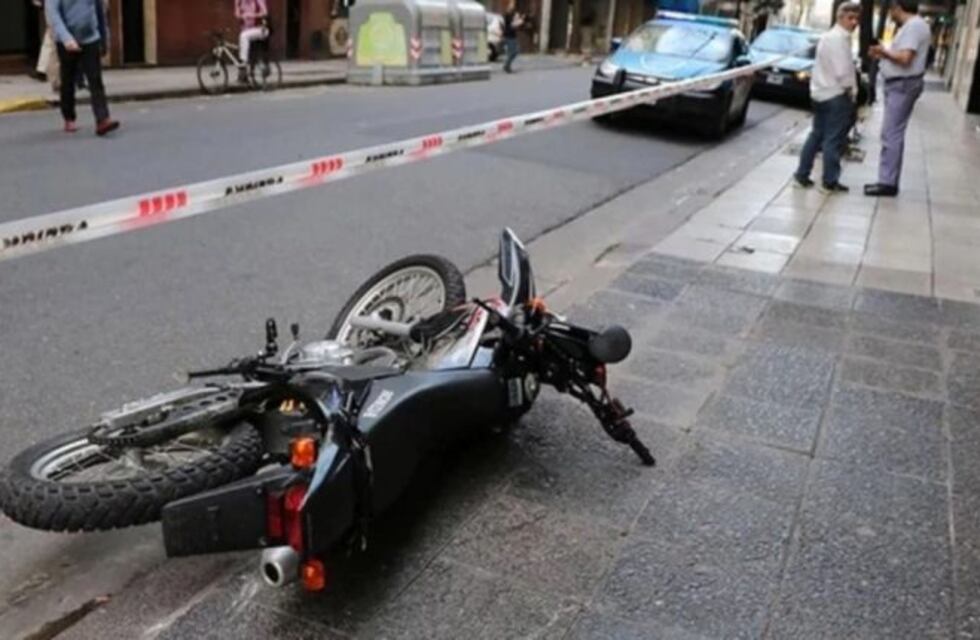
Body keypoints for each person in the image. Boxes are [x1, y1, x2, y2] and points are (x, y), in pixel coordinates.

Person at [864, 0, 931, 197]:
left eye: (892, 10)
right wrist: (884, 54)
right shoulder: (916, 26)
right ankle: (888, 180)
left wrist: (883, 52)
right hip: (902, 84)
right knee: (892, 132)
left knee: (891, 133)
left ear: (897, 8)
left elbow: (905, 58)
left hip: (902, 84)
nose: (891, 14)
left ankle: (887, 182)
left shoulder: (913, 26)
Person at [792, 2, 860, 194]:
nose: (854, 22)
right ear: (840, 17)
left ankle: (801, 175)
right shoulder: (839, 39)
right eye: (850, 18)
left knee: (816, 135)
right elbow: (842, 71)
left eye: (856, 19)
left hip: (820, 93)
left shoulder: (829, 37)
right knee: (833, 139)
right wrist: (851, 92)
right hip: (835, 94)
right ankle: (829, 181)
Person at [45, 0, 118, 136]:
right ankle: (69, 116)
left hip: (90, 37)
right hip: (67, 39)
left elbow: (99, 11)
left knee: (95, 79)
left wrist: (103, 39)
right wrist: (66, 38)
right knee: (68, 79)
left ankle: (102, 119)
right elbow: (53, 15)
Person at [236, 0, 269, 83]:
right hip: (248, 30)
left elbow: (265, 12)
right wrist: (237, 8)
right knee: (242, 45)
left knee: (243, 37)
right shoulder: (240, 2)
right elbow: (237, 15)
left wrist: (251, 15)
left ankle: (244, 63)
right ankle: (243, 75)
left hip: (261, 29)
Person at [502, 0, 524, 73]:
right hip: (509, 36)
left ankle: (507, 65)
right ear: (509, 6)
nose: (513, 6)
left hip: (512, 36)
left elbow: (515, 23)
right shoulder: (507, 15)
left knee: (515, 51)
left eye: (513, 4)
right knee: (513, 52)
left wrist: (519, 19)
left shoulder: (513, 14)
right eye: (511, 4)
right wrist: (519, 21)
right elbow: (512, 25)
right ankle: (506, 66)